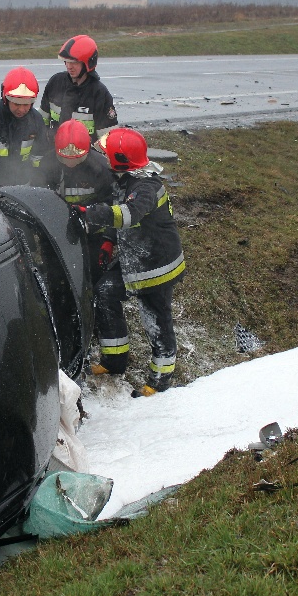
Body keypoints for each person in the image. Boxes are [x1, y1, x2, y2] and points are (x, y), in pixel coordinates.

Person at [79, 127, 186, 397]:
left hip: (156, 266)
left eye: (107, 153)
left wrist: (90, 213)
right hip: (133, 259)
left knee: (155, 318)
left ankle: (160, 381)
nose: (102, 156)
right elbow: (120, 216)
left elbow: (128, 214)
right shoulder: (126, 180)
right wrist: (108, 242)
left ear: (121, 161)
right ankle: (114, 360)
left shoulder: (147, 187)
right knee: (104, 292)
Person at [39, 119, 116, 284]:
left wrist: (108, 239)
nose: (70, 163)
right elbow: (39, 195)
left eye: (76, 159)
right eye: (65, 158)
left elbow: (113, 205)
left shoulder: (101, 168)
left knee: (92, 275)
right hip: (57, 228)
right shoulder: (47, 163)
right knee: (56, 274)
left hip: (92, 232)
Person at [39, 35, 119, 147]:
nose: (69, 66)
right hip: (54, 151)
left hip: (86, 156)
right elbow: (41, 122)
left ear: (88, 63)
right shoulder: (55, 83)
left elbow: (108, 139)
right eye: (66, 61)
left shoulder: (99, 93)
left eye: (74, 62)